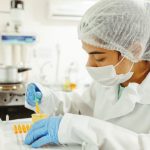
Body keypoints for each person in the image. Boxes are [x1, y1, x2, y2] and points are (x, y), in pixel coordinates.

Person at [24, 0, 150, 149]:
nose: (89, 64)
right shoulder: (112, 80)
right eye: (88, 55)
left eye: (99, 57)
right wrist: (47, 98)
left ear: (134, 50)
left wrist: (75, 128)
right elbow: (82, 106)